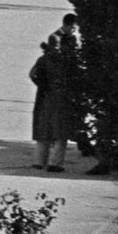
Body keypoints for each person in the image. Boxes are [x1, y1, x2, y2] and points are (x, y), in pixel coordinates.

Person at [29, 38, 82, 173]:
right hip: (63, 99)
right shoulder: (68, 60)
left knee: (44, 131)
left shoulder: (44, 58)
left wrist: (43, 85)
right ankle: (55, 163)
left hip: (46, 98)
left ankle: (38, 162)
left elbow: (33, 74)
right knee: (60, 132)